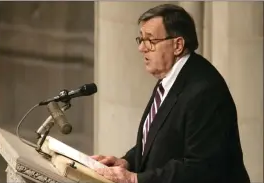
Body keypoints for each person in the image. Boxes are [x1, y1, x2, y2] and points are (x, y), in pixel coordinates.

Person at [92, 4, 250, 183]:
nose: (142, 48)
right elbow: (159, 140)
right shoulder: (171, 77)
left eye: (151, 40)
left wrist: (135, 179)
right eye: (141, 39)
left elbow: (200, 168)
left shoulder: (204, 90)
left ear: (178, 45)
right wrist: (127, 162)